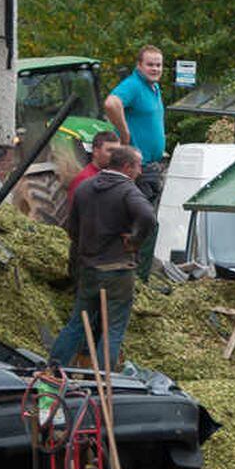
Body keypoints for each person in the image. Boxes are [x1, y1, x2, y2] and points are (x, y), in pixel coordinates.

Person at [50, 145, 155, 369]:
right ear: (127, 167)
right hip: (118, 271)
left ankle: (53, 370)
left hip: (89, 269)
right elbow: (148, 217)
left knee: (78, 323)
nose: (140, 172)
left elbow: (72, 229)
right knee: (113, 329)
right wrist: (135, 241)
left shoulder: (85, 188)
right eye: (138, 166)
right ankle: (101, 380)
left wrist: (85, 248)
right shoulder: (128, 190)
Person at [104, 45, 166, 280]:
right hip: (138, 169)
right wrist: (125, 135)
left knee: (147, 223)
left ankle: (139, 275)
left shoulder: (153, 87)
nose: (155, 68)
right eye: (150, 64)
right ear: (139, 65)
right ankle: (138, 279)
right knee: (145, 224)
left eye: (158, 64)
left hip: (152, 165)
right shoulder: (134, 85)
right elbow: (111, 104)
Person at [67, 130, 120, 200]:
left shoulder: (116, 175)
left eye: (118, 151)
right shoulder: (84, 179)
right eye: (110, 150)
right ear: (96, 151)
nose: (115, 155)